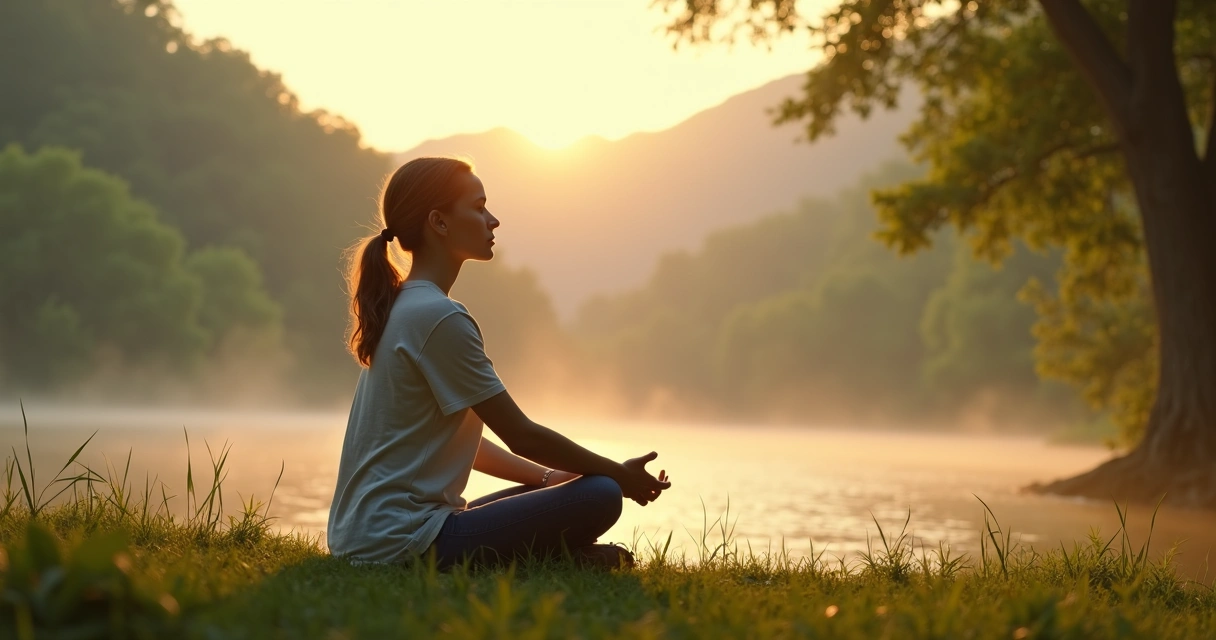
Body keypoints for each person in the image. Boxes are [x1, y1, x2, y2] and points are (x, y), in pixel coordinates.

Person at [327, 157, 672, 570]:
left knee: (575, 488)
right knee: (599, 493)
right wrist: (620, 475)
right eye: (478, 207)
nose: (493, 220)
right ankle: (559, 561)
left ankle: (563, 560)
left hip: (366, 535)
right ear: (439, 222)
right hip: (400, 541)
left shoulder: (406, 305)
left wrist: (547, 480)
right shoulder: (438, 316)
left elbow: (461, 444)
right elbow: (522, 435)